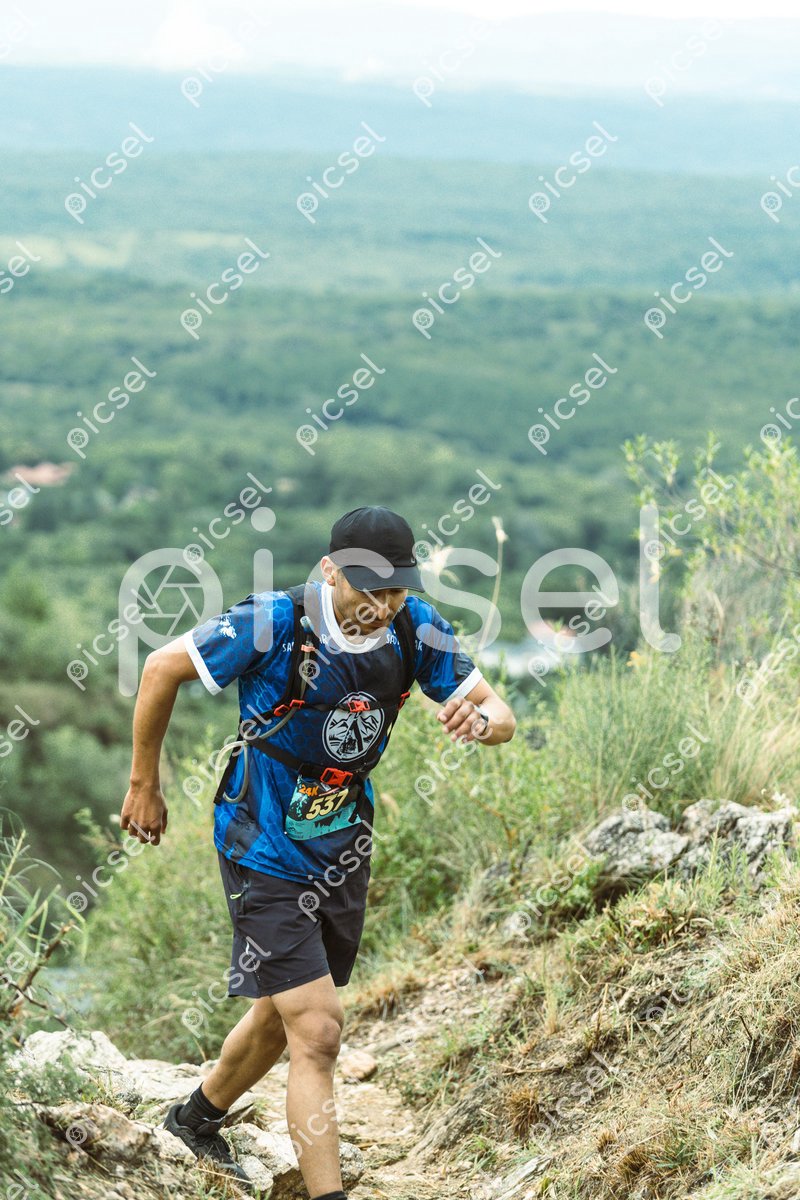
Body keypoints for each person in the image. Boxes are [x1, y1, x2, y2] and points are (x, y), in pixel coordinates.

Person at [119, 505, 516, 1198]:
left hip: (340, 844)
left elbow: (502, 715)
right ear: (330, 570)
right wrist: (143, 785)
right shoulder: (273, 622)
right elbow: (160, 668)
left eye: (395, 590)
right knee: (320, 1029)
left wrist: (479, 721)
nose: (381, 606)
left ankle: (192, 1121)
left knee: (281, 1017)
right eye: (368, 588)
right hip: (260, 839)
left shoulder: (417, 627)